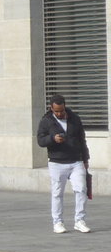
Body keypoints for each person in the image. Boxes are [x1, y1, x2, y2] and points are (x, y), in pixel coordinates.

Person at [35, 94, 91, 233]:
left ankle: (79, 220)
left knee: (81, 189)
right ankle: (58, 222)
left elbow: (82, 140)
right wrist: (52, 138)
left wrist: (85, 159)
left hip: (76, 160)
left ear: (65, 106)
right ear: (51, 108)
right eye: (56, 111)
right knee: (57, 193)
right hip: (56, 162)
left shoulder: (75, 119)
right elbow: (40, 141)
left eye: (61, 110)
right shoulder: (46, 121)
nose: (59, 113)